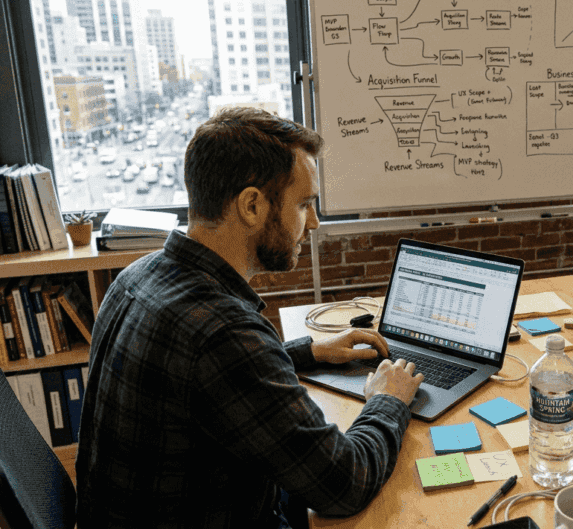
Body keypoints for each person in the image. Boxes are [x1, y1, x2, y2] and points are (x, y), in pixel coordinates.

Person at [76, 107, 425, 528]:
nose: (314, 223)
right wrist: (388, 400)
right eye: (304, 204)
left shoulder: (135, 278)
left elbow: (203, 378)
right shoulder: (223, 333)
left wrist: (309, 351)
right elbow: (344, 484)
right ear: (252, 205)